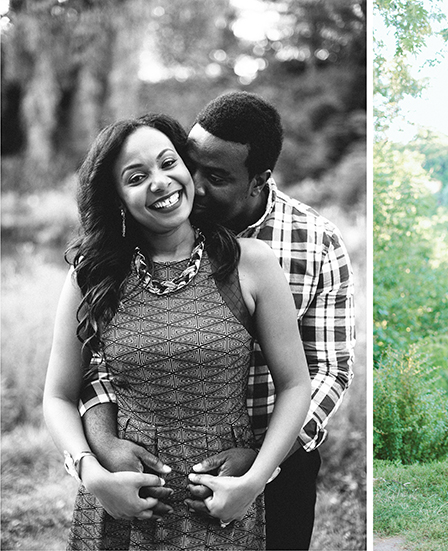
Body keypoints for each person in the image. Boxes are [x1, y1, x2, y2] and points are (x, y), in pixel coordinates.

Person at [78, 92, 356, 550]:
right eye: (191, 163)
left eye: (218, 177)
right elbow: (104, 356)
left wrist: (263, 458)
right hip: (156, 465)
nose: (193, 185)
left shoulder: (314, 242)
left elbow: (329, 369)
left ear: (258, 180)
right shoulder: (152, 234)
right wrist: (103, 444)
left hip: (279, 456)